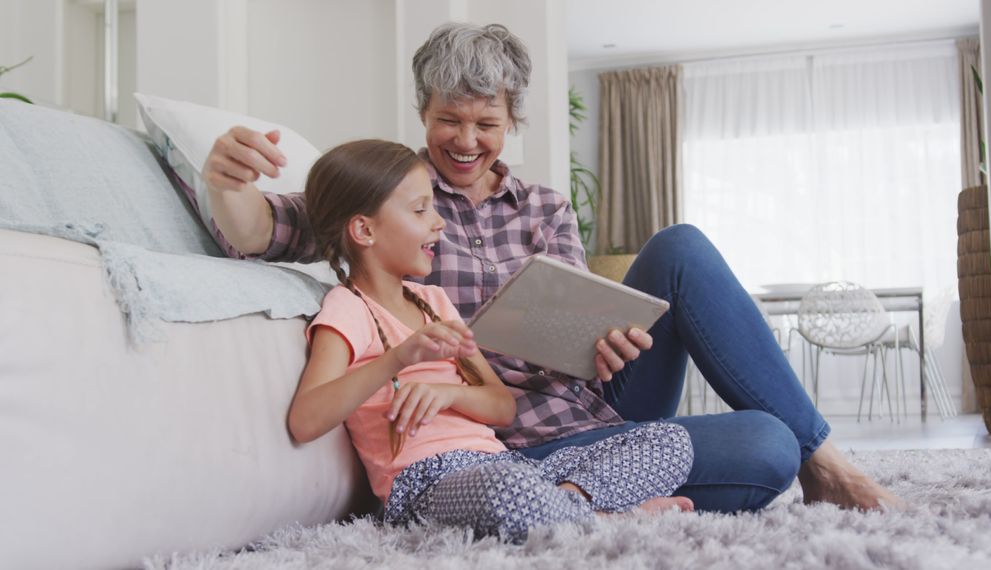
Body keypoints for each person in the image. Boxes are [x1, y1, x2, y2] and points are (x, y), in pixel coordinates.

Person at [205, 22, 901, 513]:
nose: (467, 141)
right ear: (424, 113)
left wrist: (611, 340)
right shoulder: (394, 201)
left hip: (593, 405)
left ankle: (825, 460)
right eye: (451, 120)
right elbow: (267, 228)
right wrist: (228, 185)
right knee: (761, 445)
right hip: (496, 445)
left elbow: (580, 331)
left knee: (682, 248)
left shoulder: (544, 206)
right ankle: (617, 498)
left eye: (487, 122)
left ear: (512, 121)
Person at [289, 138, 695, 541]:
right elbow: (306, 420)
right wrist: (397, 359)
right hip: (427, 485)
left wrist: (448, 394)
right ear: (364, 229)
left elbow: (501, 407)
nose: (438, 222)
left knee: (670, 441)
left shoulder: (434, 302)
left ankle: (567, 509)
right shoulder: (349, 307)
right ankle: (600, 519)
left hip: (504, 464)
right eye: (419, 210)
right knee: (504, 490)